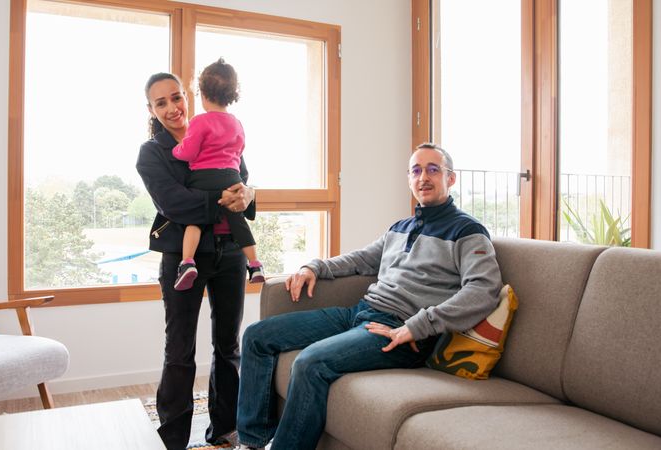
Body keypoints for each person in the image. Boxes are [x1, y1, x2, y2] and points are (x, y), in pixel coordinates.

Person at [235, 143, 504, 450]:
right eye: (416, 170)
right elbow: (361, 259)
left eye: (433, 169)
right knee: (257, 336)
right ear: (408, 179)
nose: (423, 178)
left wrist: (418, 326)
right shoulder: (401, 227)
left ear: (451, 179)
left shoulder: (467, 231)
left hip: (399, 333)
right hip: (361, 313)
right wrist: (315, 266)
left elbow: (482, 291)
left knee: (310, 363)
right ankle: (251, 442)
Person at [136, 72, 255, 450]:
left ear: (189, 96)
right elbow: (174, 203)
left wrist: (249, 195)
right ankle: (172, 439)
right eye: (161, 103)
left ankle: (225, 430)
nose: (172, 108)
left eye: (176, 97)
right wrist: (228, 199)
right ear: (152, 110)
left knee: (228, 346)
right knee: (179, 350)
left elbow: (243, 183)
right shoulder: (152, 153)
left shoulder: (220, 130)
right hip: (183, 259)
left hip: (231, 254)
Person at [171, 58, 264, 291]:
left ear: (202, 93)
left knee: (196, 220)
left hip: (204, 178)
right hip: (232, 177)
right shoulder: (237, 123)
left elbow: (188, 152)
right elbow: (239, 151)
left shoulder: (199, 121)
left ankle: (188, 263)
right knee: (238, 221)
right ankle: (254, 265)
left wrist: (177, 149)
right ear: (231, 94)